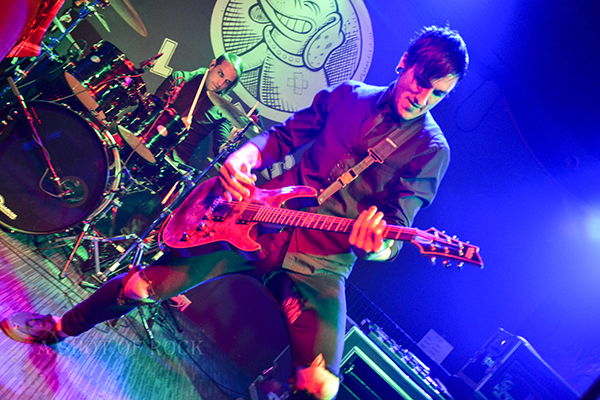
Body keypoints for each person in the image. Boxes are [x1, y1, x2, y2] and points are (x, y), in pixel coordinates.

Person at [1, 26, 469, 400]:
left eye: (438, 94)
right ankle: (59, 327)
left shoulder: (431, 150)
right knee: (141, 288)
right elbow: (281, 139)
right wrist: (244, 156)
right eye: (420, 82)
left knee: (322, 386)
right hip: (255, 220)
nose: (423, 97)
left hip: (320, 262)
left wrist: (379, 246)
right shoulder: (348, 95)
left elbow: (395, 229)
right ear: (404, 63)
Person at [153, 52, 244, 168]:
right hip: (152, 142)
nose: (220, 83)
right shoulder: (180, 80)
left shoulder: (223, 112)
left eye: (227, 82)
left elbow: (220, 153)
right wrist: (173, 121)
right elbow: (151, 112)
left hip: (175, 163)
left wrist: (231, 143)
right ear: (212, 65)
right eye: (220, 74)